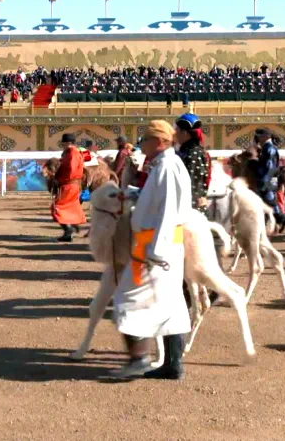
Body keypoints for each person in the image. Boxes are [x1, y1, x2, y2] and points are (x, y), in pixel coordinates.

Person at [110, 120, 192, 380]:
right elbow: (158, 200)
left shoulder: (167, 166)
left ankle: (139, 359)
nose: (141, 144)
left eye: (145, 140)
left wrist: (156, 251)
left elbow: (168, 210)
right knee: (171, 303)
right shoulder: (165, 165)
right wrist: (135, 194)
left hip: (154, 248)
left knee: (127, 299)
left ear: (159, 142)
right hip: (161, 245)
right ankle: (172, 365)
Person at [253, 128, 285, 231]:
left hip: (268, 178)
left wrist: (262, 180)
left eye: (259, 136)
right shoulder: (267, 147)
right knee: (268, 199)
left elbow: (268, 167)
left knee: (268, 199)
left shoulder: (269, 148)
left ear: (266, 137)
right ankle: (276, 220)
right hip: (270, 178)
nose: (258, 138)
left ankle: (281, 218)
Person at [52, 133, 85, 242]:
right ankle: (70, 229)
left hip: (68, 185)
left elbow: (71, 170)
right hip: (72, 185)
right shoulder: (71, 153)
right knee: (70, 207)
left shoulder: (72, 153)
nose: (63, 145)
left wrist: (59, 179)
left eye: (64, 143)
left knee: (57, 207)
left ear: (67, 143)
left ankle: (68, 230)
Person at [175, 114, 210, 210]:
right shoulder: (186, 151)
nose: (176, 133)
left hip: (190, 209)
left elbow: (193, 185)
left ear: (185, 133)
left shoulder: (194, 153)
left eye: (177, 130)